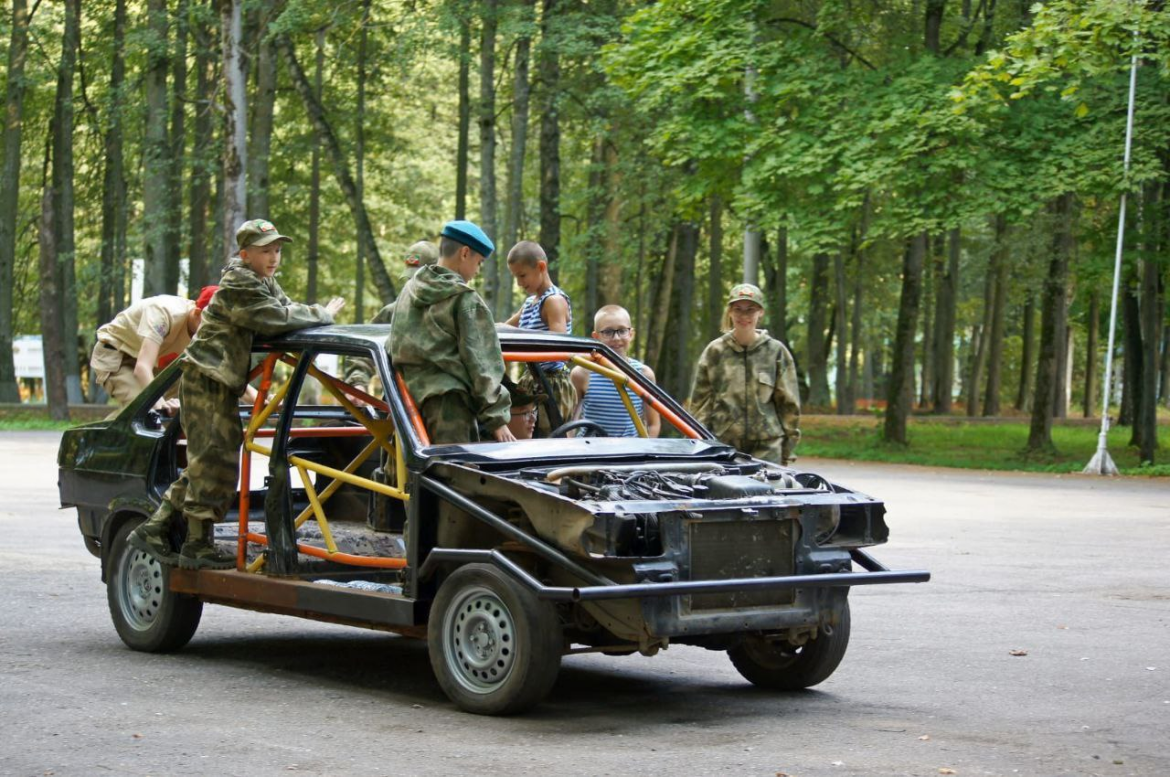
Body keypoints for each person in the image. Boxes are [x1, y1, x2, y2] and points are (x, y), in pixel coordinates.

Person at [129, 219, 346, 570]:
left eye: (277, 250)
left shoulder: (263, 281)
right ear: (245, 255)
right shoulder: (240, 284)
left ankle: (158, 529)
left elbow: (285, 308)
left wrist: (311, 316)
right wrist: (322, 313)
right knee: (213, 461)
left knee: (212, 460)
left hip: (218, 380)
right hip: (205, 379)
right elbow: (275, 318)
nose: (274, 257)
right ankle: (195, 544)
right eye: (266, 251)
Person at [388, 220, 515, 444]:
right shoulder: (464, 299)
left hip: (404, 406)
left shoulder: (408, 292)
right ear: (465, 253)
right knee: (454, 476)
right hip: (449, 410)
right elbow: (482, 363)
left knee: (407, 477)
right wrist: (497, 419)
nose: (477, 271)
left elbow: (393, 345)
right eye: (479, 262)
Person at [689, 283, 801, 465]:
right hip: (724, 444)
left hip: (768, 444)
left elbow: (789, 404)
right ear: (730, 312)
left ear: (760, 312)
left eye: (750, 310)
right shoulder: (715, 351)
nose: (744, 316)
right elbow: (700, 404)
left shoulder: (775, 352)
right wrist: (698, 441)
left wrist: (788, 446)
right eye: (738, 309)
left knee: (768, 493)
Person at [89, 287, 218, 412]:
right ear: (196, 313)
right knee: (144, 410)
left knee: (185, 408)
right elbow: (142, 367)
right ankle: (92, 435)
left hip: (152, 361)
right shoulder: (164, 313)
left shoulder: (212, 333)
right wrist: (161, 406)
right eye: (210, 323)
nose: (214, 331)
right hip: (117, 353)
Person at [342, 240, 440, 396]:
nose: (414, 285)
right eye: (410, 279)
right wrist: (358, 383)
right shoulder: (393, 312)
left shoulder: (456, 310)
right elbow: (362, 348)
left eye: (420, 279)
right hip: (400, 407)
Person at [503, 240, 576, 435]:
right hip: (531, 379)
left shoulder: (554, 301)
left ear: (541, 267)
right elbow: (506, 328)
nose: (519, 283)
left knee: (549, 438)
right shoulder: (529, 303)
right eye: (515, 277)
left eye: (522, 275)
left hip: (552, 383)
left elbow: (559, 343)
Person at [569, 305, 661, 437]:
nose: (616, 338)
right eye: (608, 332)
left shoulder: (644, 374)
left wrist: (644, 453)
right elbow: (570, 423)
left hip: (627, 453)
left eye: (622, 331)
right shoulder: (582, 373)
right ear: (596, 337)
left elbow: (653, 424)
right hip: (590, 452)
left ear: (631, 334)